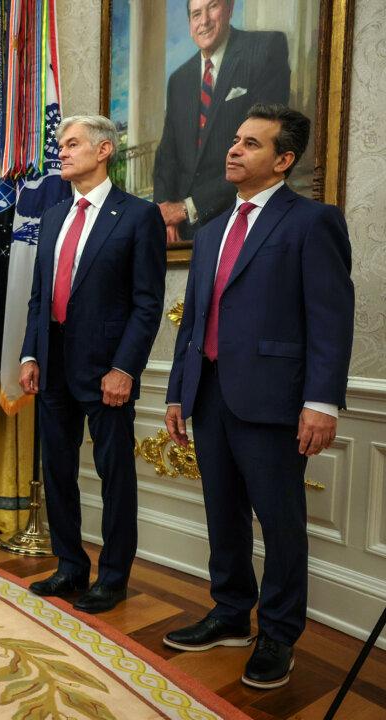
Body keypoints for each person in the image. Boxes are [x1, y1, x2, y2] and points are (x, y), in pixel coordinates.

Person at [164, 104, 353, 689]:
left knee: (280, 521)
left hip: (275, 400)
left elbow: (330, 317)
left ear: (283, 159)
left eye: (251, 143)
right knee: (223, 515)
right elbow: (195, 318)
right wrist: (177, 393)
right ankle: (229, 614)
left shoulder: (311, 222)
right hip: (211, 394)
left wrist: (322, 402)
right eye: (235, 140)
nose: (234, 150)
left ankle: (277, 632)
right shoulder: (216, 228)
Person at [18, 115, 166, 614]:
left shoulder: (137, 216)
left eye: (72, 143)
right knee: (57, 471)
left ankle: (115, 576)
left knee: (114, 476)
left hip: (106, 374)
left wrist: (124, 368)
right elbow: (41, 294)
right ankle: (70, 567)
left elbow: (147, 304)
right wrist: (30, 352)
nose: (61, 150)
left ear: (104, 150)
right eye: (60, 143)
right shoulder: (56, 216)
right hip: (52, 367)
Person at [153, 0, 290, 243]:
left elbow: (261, 150)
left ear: (230, 8)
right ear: (189, 24)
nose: (204, 20)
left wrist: (186, 208)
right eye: (196, 14)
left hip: (243, 220)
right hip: (182, 233)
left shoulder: (265, 49)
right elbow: (167, 156)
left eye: (212, 6)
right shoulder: (179, 79)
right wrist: (164, 214)